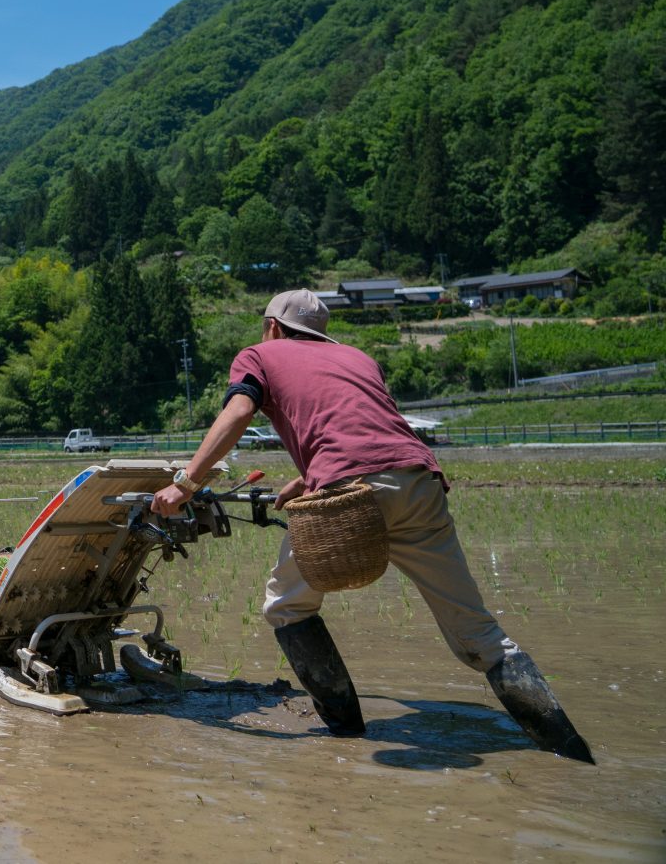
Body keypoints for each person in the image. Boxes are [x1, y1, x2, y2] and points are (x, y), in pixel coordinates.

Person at [150, 289, 593, 762]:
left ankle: (345, 731)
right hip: (419, 481)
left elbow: (239, 411)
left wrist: (185, 484)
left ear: (274, 326)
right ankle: (568, 751)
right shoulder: (356, 358)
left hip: (351, 496)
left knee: (286, 605)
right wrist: (307, 478)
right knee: (479, 634)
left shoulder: (259, 354)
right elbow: (368, 427)